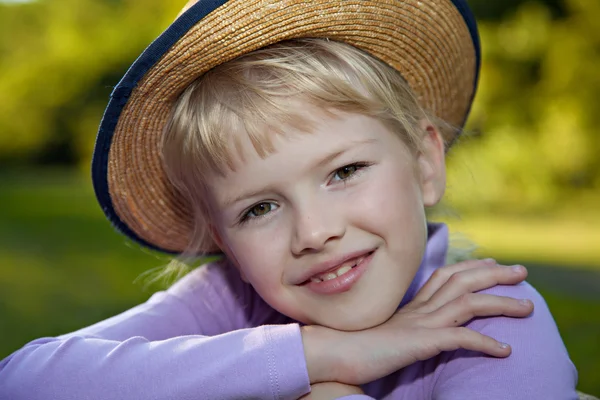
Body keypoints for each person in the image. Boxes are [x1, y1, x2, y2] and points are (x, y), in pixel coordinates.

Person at [0, 0, 578, 399]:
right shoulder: (231, 303)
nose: (314, 232)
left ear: (425, 163)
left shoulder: (485, 316)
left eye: (344, 171)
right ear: (223, 242)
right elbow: (23, 383)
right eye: (259, 209)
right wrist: (320, 357)